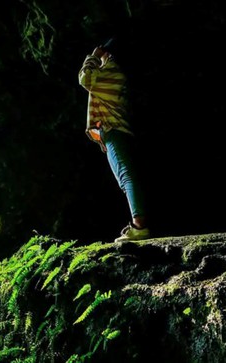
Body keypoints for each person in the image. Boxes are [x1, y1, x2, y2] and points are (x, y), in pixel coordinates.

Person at [78, 37, 150, 242]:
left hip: (114, 131)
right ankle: (138, 223)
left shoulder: (112, 72)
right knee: (126, 178)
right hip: (117, 131)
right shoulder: (118, 74)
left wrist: (93, 56)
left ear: (108, 54)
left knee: (126, 177)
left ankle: (139, 226)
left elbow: (86, 79)